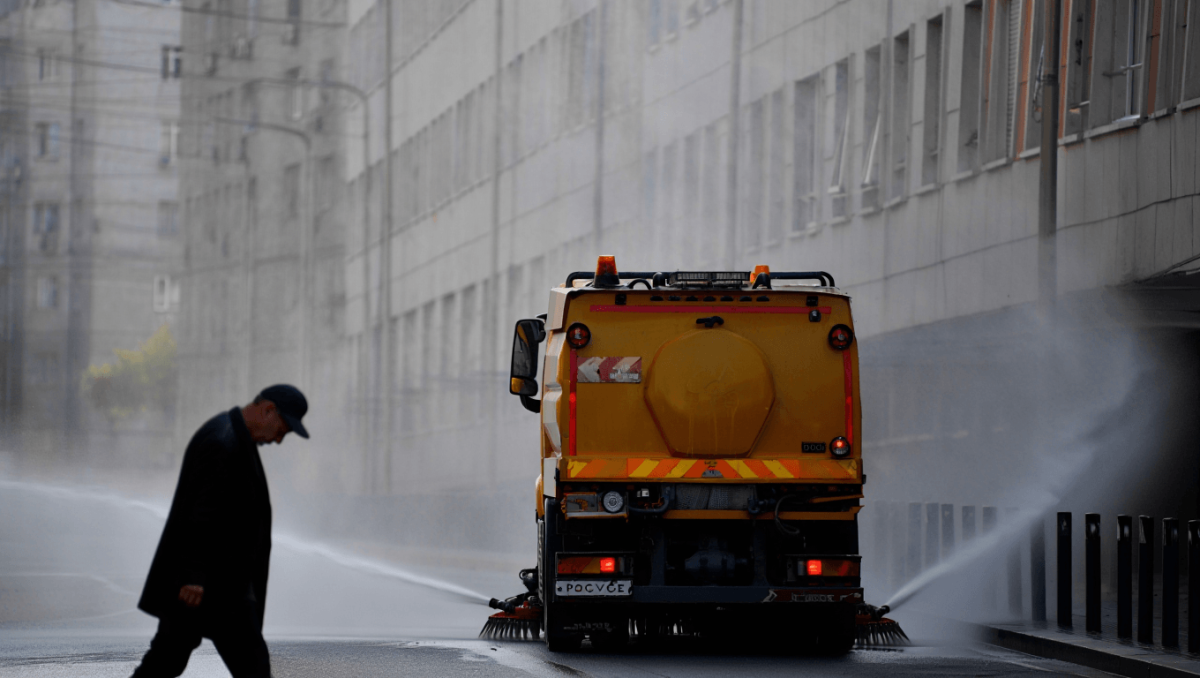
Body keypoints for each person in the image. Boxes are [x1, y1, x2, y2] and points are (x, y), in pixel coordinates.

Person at [130, 385, 309, 678]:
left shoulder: (234, 436)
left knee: (167, 659)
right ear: (267, 410)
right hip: (216, 586)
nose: (279, 439)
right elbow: (202, 512)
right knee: (251, 668)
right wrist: (193, 576)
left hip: (215, 584)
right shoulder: (223, 440)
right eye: (283, 429)